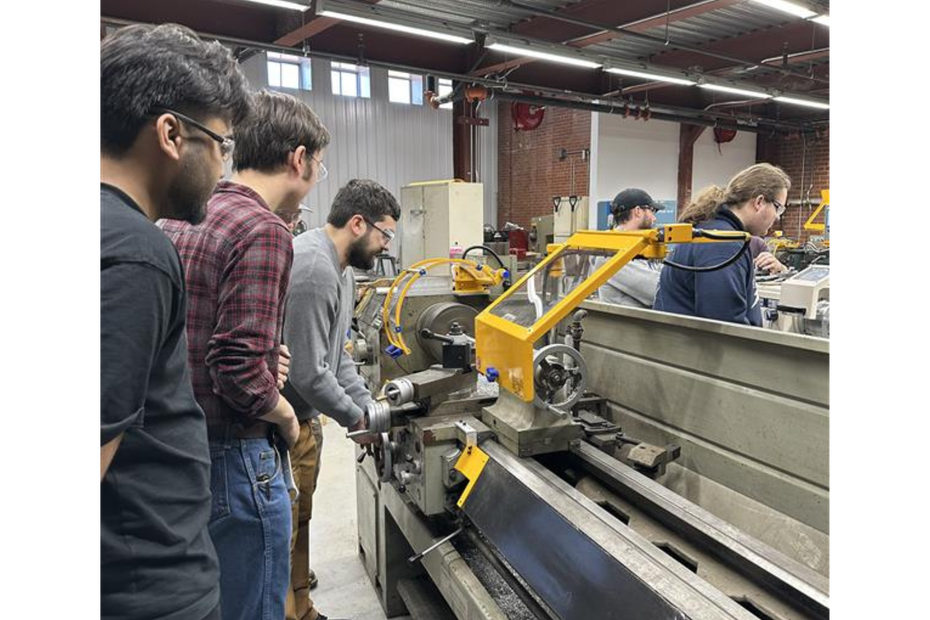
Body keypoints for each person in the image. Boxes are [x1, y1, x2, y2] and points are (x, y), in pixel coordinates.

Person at [99, 23, 251, 620]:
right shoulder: (133, 252)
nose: (223, 168)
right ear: (171, 134)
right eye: (222, 144)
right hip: (146, 589)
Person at [159, 89, 331, 620]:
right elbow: (235, 370)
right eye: (317, 167)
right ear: (297, 159)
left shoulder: (181, 216)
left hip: (184, 452)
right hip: (237, 457)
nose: (312, 182)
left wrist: (261, 360)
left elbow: (196, 338)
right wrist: (285, 416)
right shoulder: (264, 229)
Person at [281, 179, 401, 620]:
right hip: (287, 425)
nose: (386, 245)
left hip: (307, 420)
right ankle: (292, 610)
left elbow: (339, 355)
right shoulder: (314, 269)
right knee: (285, 527)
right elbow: (308, 371)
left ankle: (301, 597)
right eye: (384, 234)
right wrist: (357, 421)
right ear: (357, 224)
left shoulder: (342, 270)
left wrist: (369, 408)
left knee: (301, 518)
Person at [655, 163, 791, 326]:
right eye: (778, 208)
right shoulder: (723, 244)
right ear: (759, 202)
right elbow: (725, 328)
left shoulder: (715, 232)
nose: (777, 217)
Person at [597, 188, 664, 308]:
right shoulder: (611, 251)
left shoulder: (639, 245)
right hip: (627, 325)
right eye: (652, 211)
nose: (654, 218)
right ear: (638, 211)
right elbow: (656, 289)